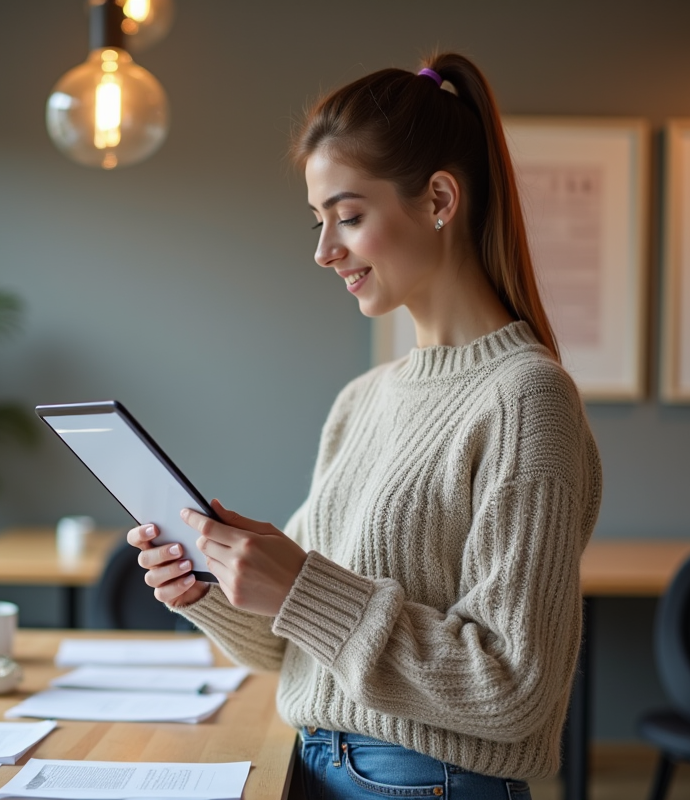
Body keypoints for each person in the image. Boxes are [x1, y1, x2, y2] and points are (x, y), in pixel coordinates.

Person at [128, 52, 602, 799]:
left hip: (425, 781)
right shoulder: (363, 400)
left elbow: (515, 688)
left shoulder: (526, 401)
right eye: (319, 222)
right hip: (317, 766)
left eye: (348, 217)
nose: (324, 251)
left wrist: (300, 587)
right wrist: (212, 585)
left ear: (440, 198)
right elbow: (304, 651)